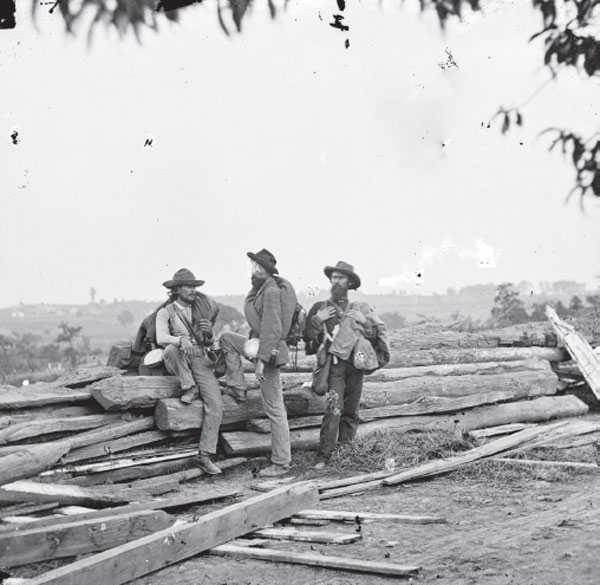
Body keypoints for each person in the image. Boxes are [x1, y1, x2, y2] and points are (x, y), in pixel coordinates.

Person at [304, 261, 389, 469]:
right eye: (334, 277)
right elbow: (308, 341)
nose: (336, 281)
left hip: (356, 367)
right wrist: (316, 320)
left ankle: (346, 452)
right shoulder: (320, 308)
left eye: (341, 278)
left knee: (351, 410)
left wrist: (365, 322)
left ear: (350, 282)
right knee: (334, 408)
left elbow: (373, 336)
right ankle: (324, 456)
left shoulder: (360, 308)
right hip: (334, 368)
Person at [219, 249, 296, 478]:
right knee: (226, 339)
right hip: (259, 346)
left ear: (268, 271)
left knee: (275, 409)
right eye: (251, 267)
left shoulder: (271, 291)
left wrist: (261, 362)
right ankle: (237, 386)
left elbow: (273, 329)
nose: (252, 272)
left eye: (257, 268)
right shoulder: (261, 289)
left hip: (269, 352)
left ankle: (281, 463)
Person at [155, 268, 223, 475]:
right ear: (176, 290)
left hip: (200, 358)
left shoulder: (201, 310)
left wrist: (209, 335)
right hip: (180, 358)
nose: (193, 290)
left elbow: (208, 341)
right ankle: (189, 385)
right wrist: (179, 339)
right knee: (170, 348)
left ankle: (205, 455)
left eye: (195, 286)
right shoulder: (165, 312)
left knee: (216, 403)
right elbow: (161, 337)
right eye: (188, 286)